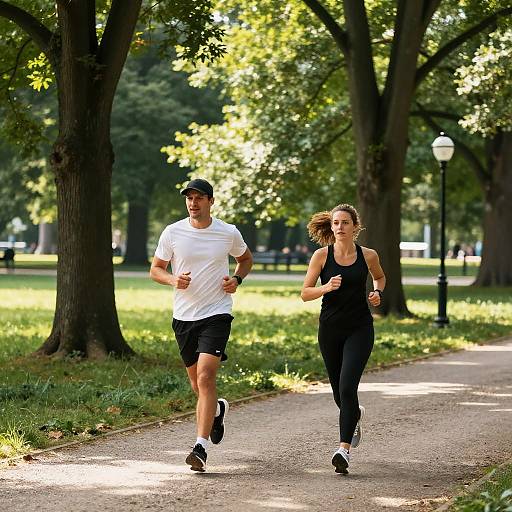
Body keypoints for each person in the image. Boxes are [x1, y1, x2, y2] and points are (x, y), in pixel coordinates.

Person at [150, 178, 253, 472]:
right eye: (189, 198)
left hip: (217, 313)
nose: (193, 203)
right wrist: (173, 279)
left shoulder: (227, 232)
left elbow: (245, 259)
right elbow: (155, 269)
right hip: (183, 317)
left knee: (206, 378)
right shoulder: (173, 232)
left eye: (199, 198)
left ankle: (200, 447)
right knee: (197, 385)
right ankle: (217, 410)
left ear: (210, 201)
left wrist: (237, 279)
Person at [301, 204, 385, 475]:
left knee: (348, 387)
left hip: (360, 328)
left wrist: (377, 293)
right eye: (336, 222)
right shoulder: (321, 256)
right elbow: (305, 293)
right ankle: (354, 415)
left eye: (345, 222)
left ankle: (343, 450)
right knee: (339, 392)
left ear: (354, 226)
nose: (339, 227)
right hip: (330, 330)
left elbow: (380, 277)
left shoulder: (368, 255)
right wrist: (326, 287)